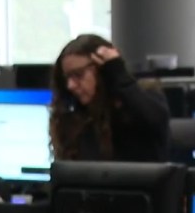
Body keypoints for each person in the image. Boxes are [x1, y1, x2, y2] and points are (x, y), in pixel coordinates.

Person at [49, 34, 171, 163]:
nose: (70, 85)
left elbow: (154, 120)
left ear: (101, 70)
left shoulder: (140, 100)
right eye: (67, 78)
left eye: (78, 75)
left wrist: (117, 72)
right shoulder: (75, 117)